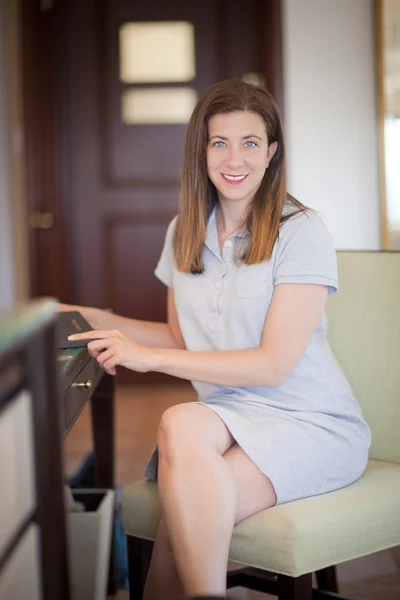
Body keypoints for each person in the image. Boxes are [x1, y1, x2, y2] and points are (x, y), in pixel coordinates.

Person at [66, 79, 371, 599]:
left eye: (251, 142)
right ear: (201, 152)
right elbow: (180, 337)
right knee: (184, 434)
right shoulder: (184, 230)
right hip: (227, 419)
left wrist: (148, 358)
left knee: (183, 503)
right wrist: (79, 315)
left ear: (272, 152)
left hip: (310, 423)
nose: (236, 158)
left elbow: (274, 365)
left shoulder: (302, 231)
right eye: (220, 142)